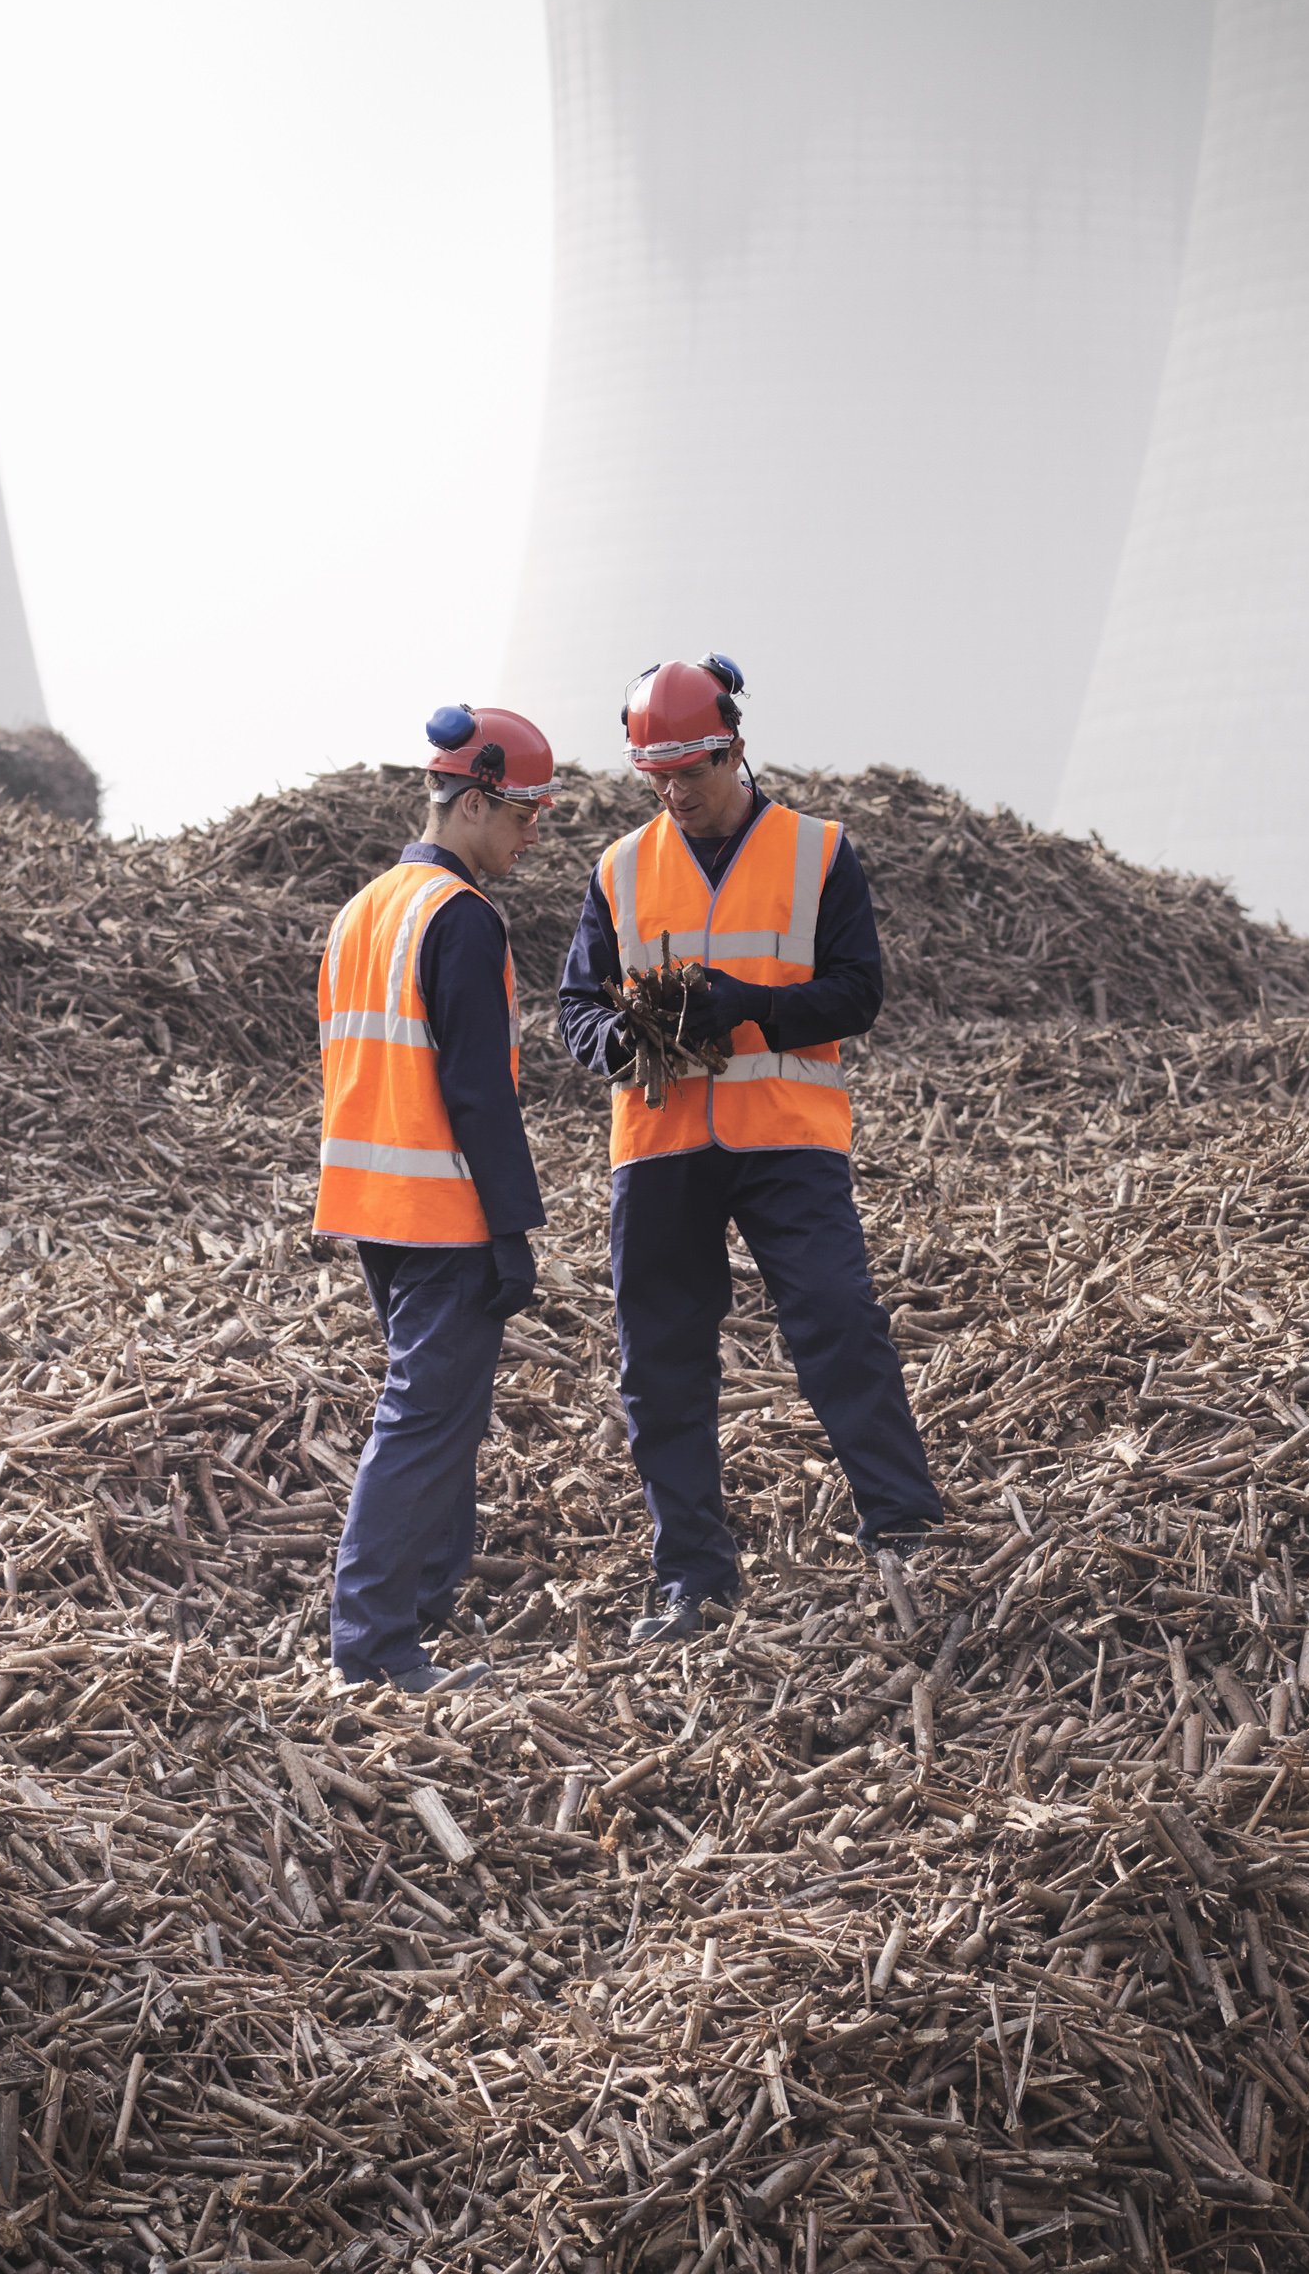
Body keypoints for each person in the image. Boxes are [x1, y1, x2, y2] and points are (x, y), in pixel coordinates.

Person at [554, 654, 945, 1645]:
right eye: (658, 778)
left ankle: (905, 1527)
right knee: (663, 1365)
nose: (675, 792)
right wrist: (609, 1040)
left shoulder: (820, 852)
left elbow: (859, 991)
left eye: (691, 770)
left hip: (786, 1140)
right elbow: (574, 1003)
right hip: (659, 1145)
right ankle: (692, 1578)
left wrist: (751, 1012)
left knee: (837, 1321)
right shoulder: (619, 868)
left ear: (734, 746)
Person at [310, 701, 563, 1693]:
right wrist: (511, 1226)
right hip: (440, 1209)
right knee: (422, 1420)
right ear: (472, 800)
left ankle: (421, 1607)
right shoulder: (459, 919)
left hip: (371, 1203)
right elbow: (478, 1092)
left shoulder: (363, 909)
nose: (532, 832)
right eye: (523, 813)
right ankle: (372, 1648)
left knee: (444, 1415)